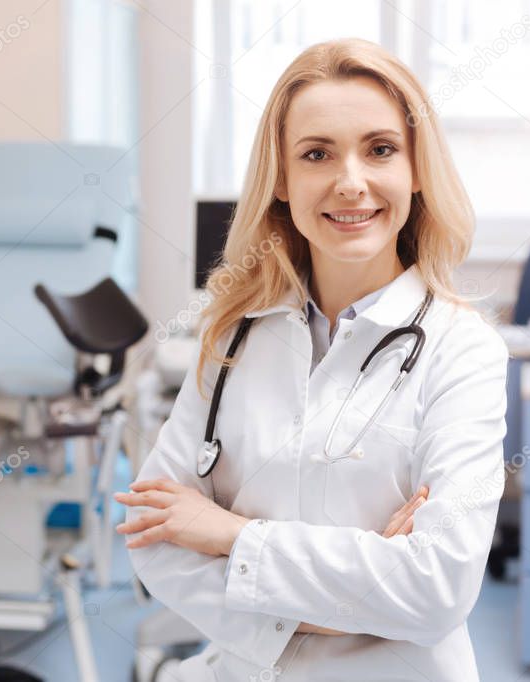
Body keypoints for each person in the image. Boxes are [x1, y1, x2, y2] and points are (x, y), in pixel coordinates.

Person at [115, 38, 508, 681]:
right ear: (281, 179)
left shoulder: (463, 350)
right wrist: (358, 599)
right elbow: (154, 536)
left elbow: (437, 590)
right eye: (316, 154)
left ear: (415, 170)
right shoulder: (230, 337)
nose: (350, 182)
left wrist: (226, 535)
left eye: (380, 149)